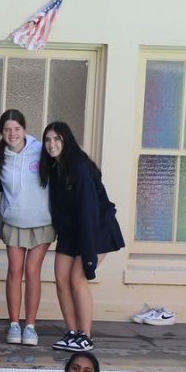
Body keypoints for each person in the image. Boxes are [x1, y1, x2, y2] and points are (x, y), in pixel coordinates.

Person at [40, 121, 124, 353]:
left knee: (78, 279)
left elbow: (89, 214)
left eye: (57, 139)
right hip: (71, 233)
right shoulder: (54, 168)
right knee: (60, 279)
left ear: (67, 141)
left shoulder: (81, 168)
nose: (51, 144)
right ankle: (73, 332)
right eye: (47, 140)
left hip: (96, 231)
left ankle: (85, 336)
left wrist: (88, 256)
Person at [0, 110, 53, 347]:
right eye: (7, 129)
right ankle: (14, 324)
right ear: (1, 132)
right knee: (15, 271)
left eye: (17, 128)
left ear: (24, 129)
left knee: (32, 271)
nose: (12, 133)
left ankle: (30, 326)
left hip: (41, 221)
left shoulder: (40, 150)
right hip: (13, 221)